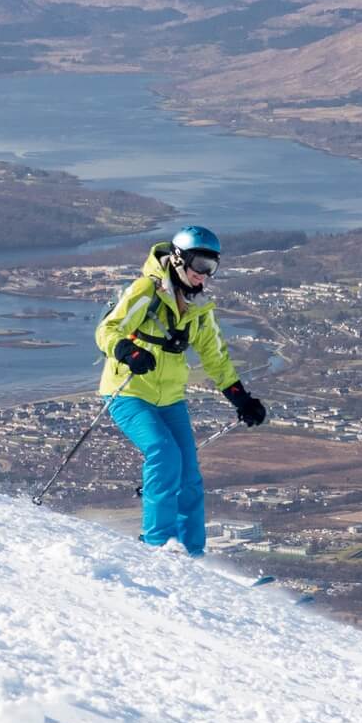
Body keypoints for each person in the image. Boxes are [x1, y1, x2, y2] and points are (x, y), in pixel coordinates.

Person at [93, 225, 267, 557]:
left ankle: (192, 553)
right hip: (128, 392)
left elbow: (216, 358)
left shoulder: (200, 308)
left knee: (189, 474)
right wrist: (126, 351)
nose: (205, 275)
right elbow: (108, 329)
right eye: (200, 264)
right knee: (163, 453)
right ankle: (158, 544)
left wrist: (241, 398)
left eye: (212, 267)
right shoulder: (146, 290)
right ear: (177, 259)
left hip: (170, 398)